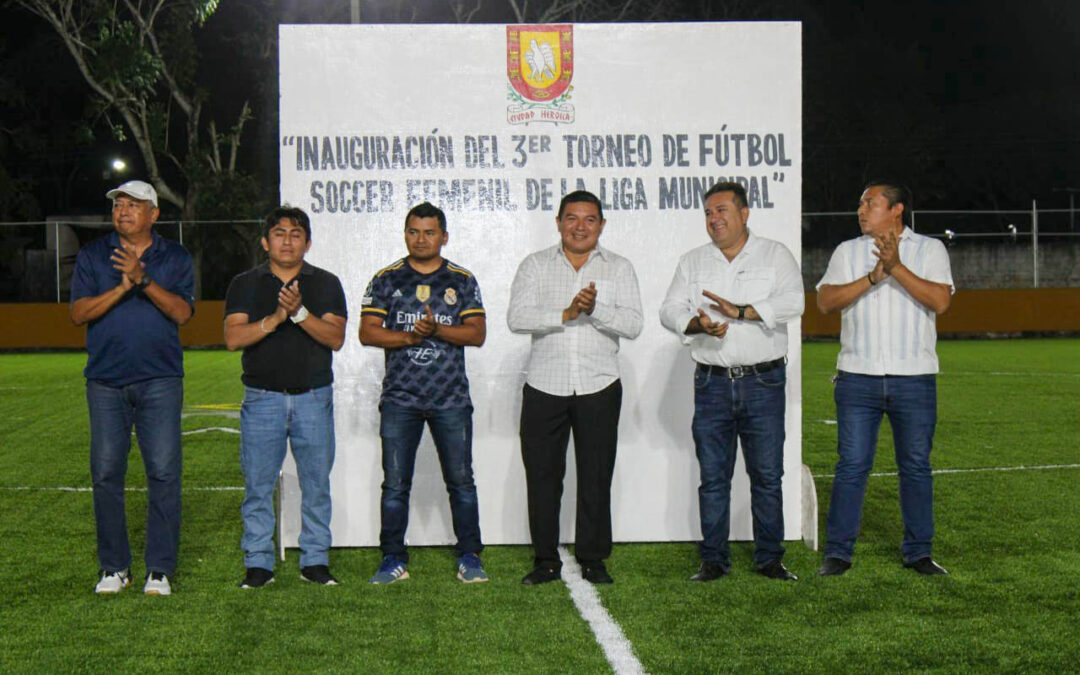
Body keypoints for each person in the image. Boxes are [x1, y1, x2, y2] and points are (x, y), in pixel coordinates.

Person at [660, 181, 804, 582]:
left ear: (744, 214)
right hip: (712, 384)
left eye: (722, 210)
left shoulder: (774, 255)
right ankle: (713, 559)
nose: (714, 219)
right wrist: (696, 323)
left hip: (764, 382)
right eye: (708, 212)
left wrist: (740, 312)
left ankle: (770, 558)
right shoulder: (692, 261)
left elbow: (795, 301)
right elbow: (669, 308)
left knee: (767, 475)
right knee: (713, 477)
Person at [816, 180, 953, 577]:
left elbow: (940, 301)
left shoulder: (930, 249)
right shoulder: (848, 251)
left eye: (870, 203)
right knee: (852, 465)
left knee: (915, 466)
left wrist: (895, 268)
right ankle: (838, 553)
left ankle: (919, 552)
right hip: (857, 378)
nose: (860, 209)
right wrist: (874, 277)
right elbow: (825, 301)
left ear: (897, 209)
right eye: (860, 203)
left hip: (915, 379)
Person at [508, 190, 643, 586]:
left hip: (599, 385)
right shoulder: (535, 266)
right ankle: (545, 559)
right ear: (558, 223)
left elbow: (634, 325)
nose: (579, 227)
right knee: (542, 477)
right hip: (544, 386)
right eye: (571, 218)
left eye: (589, 219)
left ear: (601, 225)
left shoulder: (619, 268)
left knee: (596, 476)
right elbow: (516, 317)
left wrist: (594, 309)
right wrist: (566, 313)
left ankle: (593, 558)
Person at [71, 180, 195, 596]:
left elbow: (181, 313)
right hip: (105, 381)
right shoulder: (92, 255)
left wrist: (143, 280)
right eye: (118, 205)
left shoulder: (174, 257)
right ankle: (114, 567)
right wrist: (122, 287)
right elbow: (79, 312)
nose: (123, 211)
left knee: (162, 472)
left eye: (133, 204)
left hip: (160, 379)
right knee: (106, 473)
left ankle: (159, 569)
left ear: (154, 214)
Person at [359, 202, 488, 585]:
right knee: (395, 484)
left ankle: (470, 556)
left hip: (451, 399)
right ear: (405, 234)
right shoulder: (386, 279)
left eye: (430, 232)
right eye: (414, 231)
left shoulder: (462, 280)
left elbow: (477, 334)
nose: (421, 239)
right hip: (401, 399)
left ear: (444, 237)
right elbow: (368, 332)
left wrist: (436, 332)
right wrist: (408, 337)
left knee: (461, 481)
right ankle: (392, 558)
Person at [224, 207, 347, 588]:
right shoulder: (245, 283)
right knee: (258, 485)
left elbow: (335, 338)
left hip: (313, 397)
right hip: (262, 399)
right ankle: (259, 563)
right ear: (265, 242)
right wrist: (275, 319)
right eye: (279, 233)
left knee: (316, 484)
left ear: (308, 242)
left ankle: (315, 560)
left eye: (296, 234)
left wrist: (299, 313)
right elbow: (232, 339)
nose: (288, 240)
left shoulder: (325, 283)